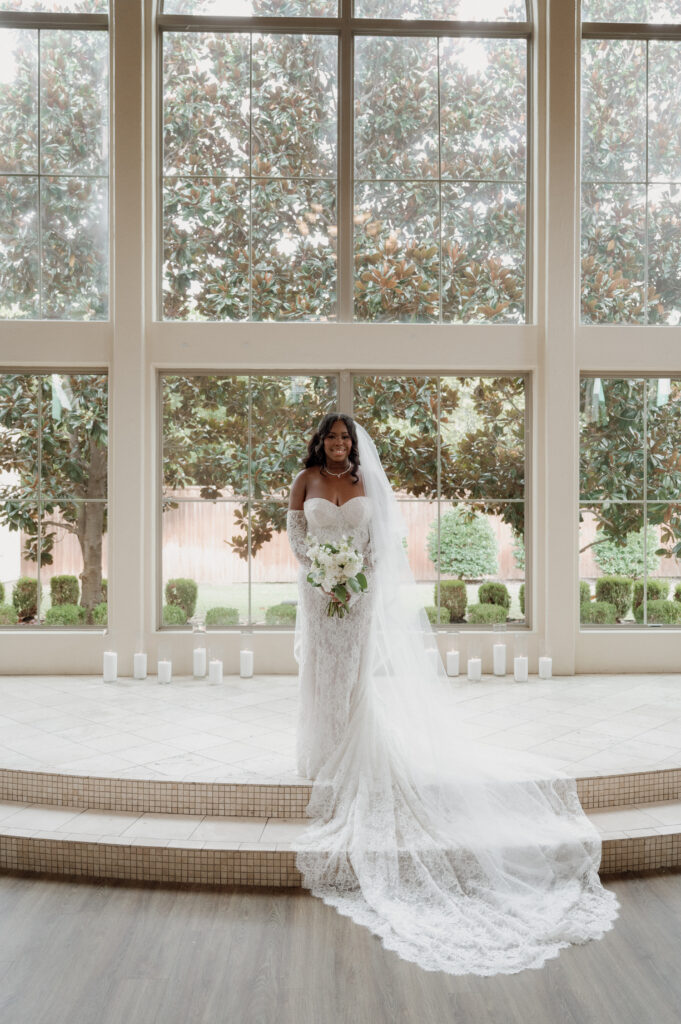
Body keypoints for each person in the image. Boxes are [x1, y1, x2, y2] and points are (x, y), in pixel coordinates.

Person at [286, 413, 618, 977]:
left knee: (354, 673)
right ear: (320, 442)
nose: (339, 445)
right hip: (319, 596)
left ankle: (351, 747)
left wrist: (353, 579)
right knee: (323, 671)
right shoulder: (306, 479)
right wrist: (321, 575)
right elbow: (295, 535)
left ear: (352, 444)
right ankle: (323, 750)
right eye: (331, 437)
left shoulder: (365, 483)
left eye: (345, 438)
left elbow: (377, 543)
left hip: (358, 596)